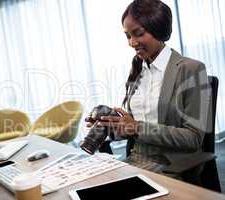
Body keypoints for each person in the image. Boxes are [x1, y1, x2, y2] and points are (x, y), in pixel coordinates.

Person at [85, 0, 210, 181]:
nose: (132, 42)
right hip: (135, 161)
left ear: (159, 29)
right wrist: (110, 126)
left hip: (170, 167)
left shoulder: (191, 69)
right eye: (128, 36)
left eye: (139, 34)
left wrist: (137, 127)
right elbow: (133, 128)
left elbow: (193, 139)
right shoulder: (138, 67)